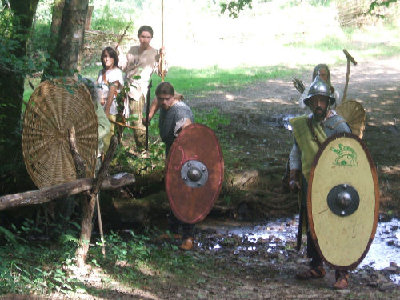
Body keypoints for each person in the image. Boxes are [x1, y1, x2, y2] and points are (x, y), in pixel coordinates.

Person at [289, 76, 351, 289]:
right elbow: (297, 151)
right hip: (310, 181)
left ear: (328, 102)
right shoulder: (304, 126)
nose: (318, 104)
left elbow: (351, 156)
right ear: (309, 102)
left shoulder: (339, 126)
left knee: (336, 225)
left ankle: (342, 273)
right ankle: (317, 265)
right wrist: (293, 175)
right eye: (314, 100)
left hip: (335, 184)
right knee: (313, 223)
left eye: (322, 100)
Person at [156, 82, 195, 250]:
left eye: (166, 99)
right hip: (172, 154)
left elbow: (186, 132)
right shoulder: (164, 106)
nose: (163, 102)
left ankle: (188, 237)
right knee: (172, 191)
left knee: (185, 195)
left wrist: (172, 159)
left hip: (185, 158)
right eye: (160, 99)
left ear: (172, 97)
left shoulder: (180, 110)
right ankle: (174, 230)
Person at [122, 25, 166, 149]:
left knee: (136, 119)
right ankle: (115, 145)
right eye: (143, 36)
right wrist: (117, 56)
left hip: (138, 89)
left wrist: (162, 57)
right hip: (126, 86)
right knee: (120, 117)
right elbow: (125, 67)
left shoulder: (155, 53)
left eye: (148, 37)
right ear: (139, 37)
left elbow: (162, 72)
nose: (145, 39)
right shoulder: (132, 50)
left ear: (151, 38)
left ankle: (142, 148)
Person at [97, 46, 126, 150]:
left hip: (110, 107)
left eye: (110, 56)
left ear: (114, 58)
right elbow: (98, 86)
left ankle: (107, 157)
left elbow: (112, 92)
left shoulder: (116, 72)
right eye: (105, 56)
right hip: (100, 106)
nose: (107, 59)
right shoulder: (101, 72)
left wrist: (107, 110)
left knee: (108, 133)